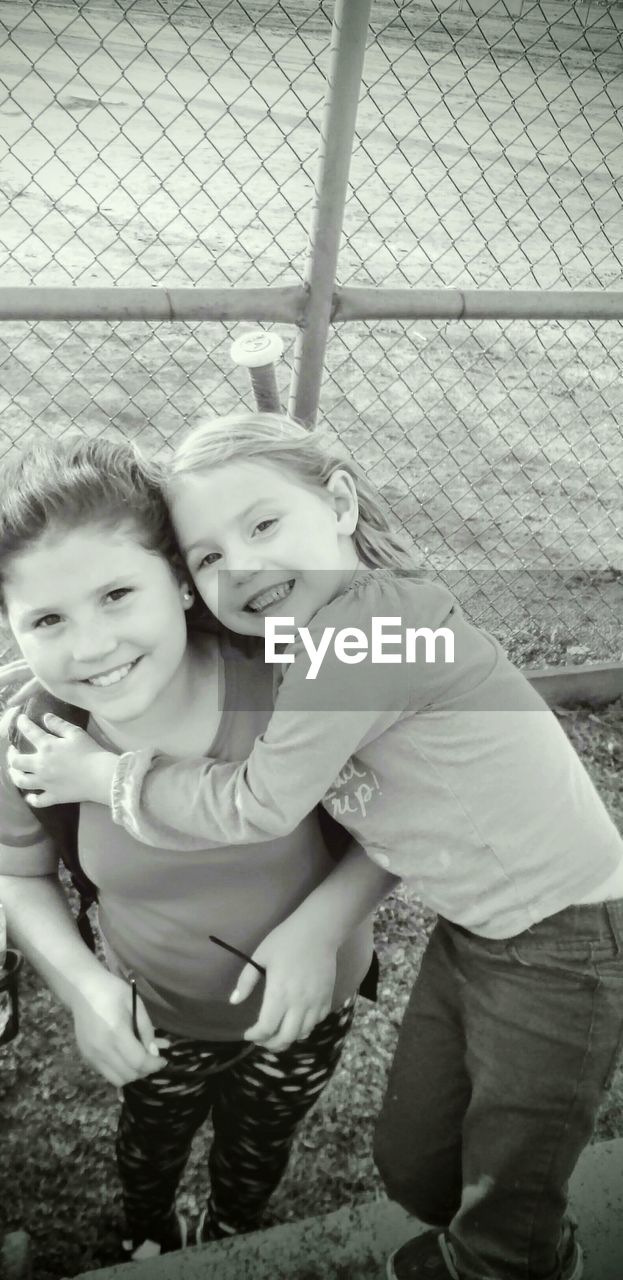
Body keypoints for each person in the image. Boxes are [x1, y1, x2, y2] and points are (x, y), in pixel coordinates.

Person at [15, 410, 623, 1280]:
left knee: (506, 1227)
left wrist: (105, 778)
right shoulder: (327, 633)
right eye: (211, 556)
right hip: (477, 929)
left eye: (263, 524)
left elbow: (260, 803)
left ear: (338, 500)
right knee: (418, 1163)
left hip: (563, 936)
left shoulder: (351, 642)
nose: (246, 565)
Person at [0, 435, 396, 1261]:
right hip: (155, 1017)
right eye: (46, 619)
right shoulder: (37, 737)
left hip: (306, 1008)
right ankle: (147, 1228)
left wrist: (317, 931)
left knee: (257, 1149)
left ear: (180, 581)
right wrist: (81, 989)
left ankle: (229, 1230)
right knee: (147, 1143)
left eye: (116, 594)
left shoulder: (297, 683)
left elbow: (401, 827)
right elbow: (19, 871)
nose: (92, 646)